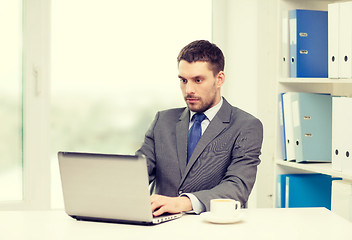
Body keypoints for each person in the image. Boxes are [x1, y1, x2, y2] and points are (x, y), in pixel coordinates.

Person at [136, 40, 263, 216]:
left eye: (198, 80)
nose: (188, 90)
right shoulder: (162, 121)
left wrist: (183, 202)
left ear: (219, 79)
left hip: (214, 227)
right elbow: (136, 174)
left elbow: (237, 187)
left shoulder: (246, 126)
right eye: (183, 80)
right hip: (160, 227)